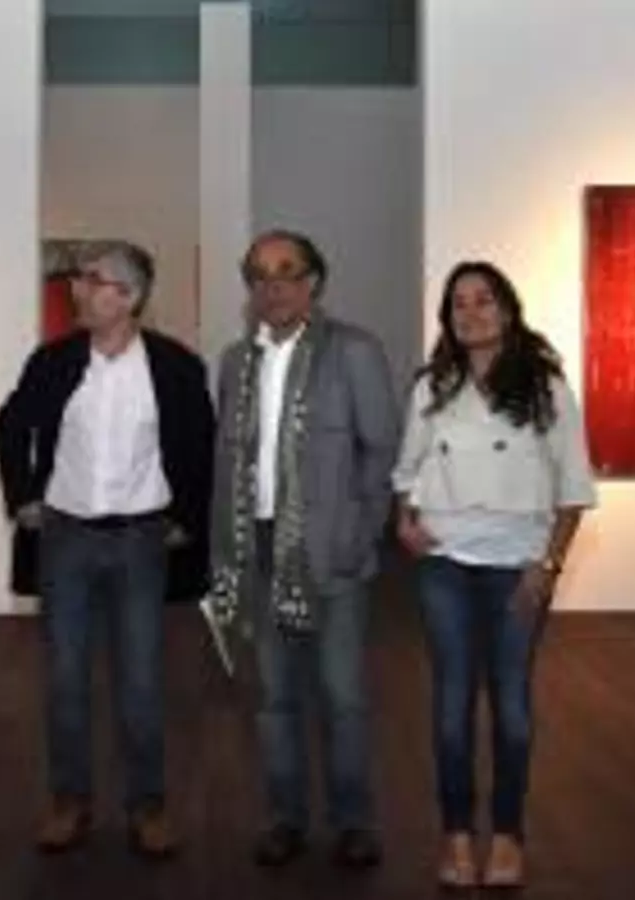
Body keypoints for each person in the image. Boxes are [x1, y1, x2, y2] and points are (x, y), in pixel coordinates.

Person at [0, 241, 215, 859]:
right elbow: (10, 424)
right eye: (80, 278)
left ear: (130, 297)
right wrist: (23, 498)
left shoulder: (175, 367)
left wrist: (183, 519)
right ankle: (69, 801)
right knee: (65, 679)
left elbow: (200, 447)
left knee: (141, 680)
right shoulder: (54, 361)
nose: (78, 289)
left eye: (94, 280)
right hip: (65, 538)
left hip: (142, 540)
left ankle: (148, 805)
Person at [392, 261, 596, 888]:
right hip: (445, 563)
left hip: (518, 566)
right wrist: (404, 521)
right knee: (451, 703)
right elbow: (407, 469)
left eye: (484, 300)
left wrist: (549, 565)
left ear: (507, 310)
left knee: (510, 705)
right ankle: (456, 836)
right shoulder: (432, 387)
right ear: (447, 318)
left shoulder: (546, 388)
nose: (472, 313)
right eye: (459, 303)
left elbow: (573, 488)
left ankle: (507, 836)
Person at [205, 229, 400, 869]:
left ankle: (354, 822)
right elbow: (228, 463)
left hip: (328, 552)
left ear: (313, 281)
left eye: (287, 271)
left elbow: (382, 452)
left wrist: (359, 535)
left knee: (342, 695)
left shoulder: (354, 352)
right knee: (274, 698)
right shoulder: (236, 361)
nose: (274, 286)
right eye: (259, 275)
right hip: (256, 551)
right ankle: (285, 818)